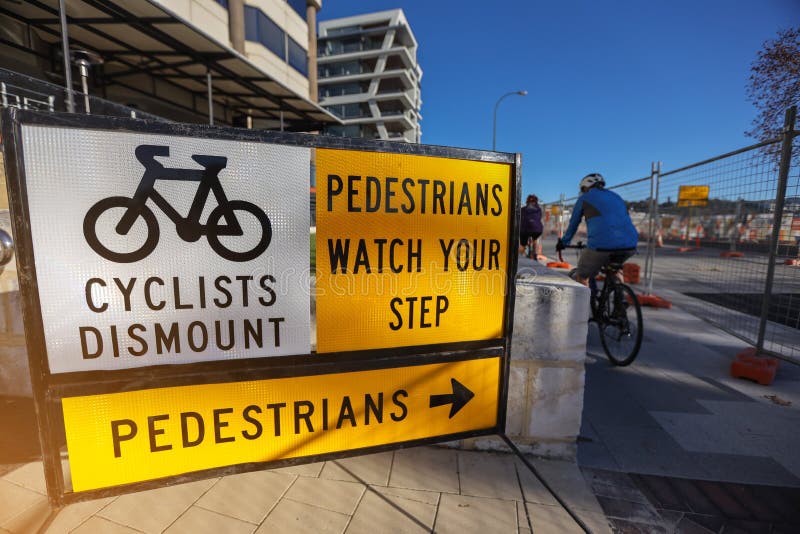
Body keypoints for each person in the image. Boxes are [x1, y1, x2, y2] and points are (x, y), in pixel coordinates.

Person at [556, 173, 638, 285]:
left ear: (585, 187)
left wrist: (564, 242)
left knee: (582, 275)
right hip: (630, 244)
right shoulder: (616, 196)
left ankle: (586, 302)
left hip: (601, 245)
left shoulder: (584, 198)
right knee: (615, 270)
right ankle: (620, 297)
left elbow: (573, 224)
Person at [519, 194, 543, 259]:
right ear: (536, 201)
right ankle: (535, 254)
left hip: (524, 230)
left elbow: (520, 219)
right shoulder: (539, 209)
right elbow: (539, 218)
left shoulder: (523, 209)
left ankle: (519, 257)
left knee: (522, 244)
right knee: (535, 239)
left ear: (527, 201)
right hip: (537, 230)